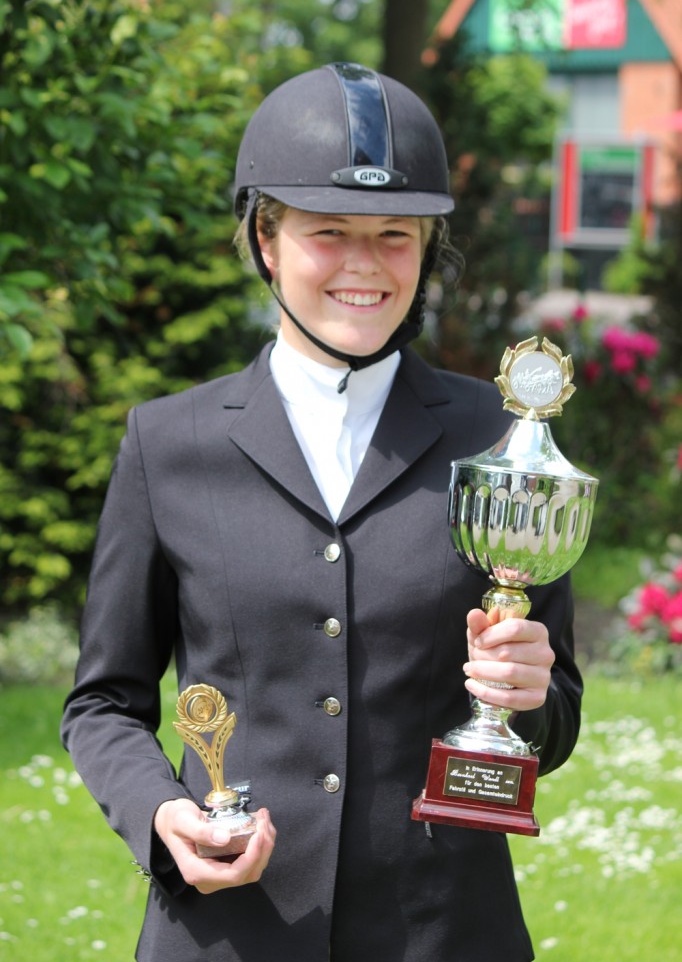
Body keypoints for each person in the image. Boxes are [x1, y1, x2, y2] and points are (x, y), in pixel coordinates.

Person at [61, 62, 581, 962]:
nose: (364, 266)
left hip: (444, 932)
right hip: (228, 932)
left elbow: (555, 716)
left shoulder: (502, 443)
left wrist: (529, 695)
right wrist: (163, 813)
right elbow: (103, 701)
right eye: (328, 232)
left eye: (393, 235)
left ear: (426, 250)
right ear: (266, 238)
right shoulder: (166, 442)